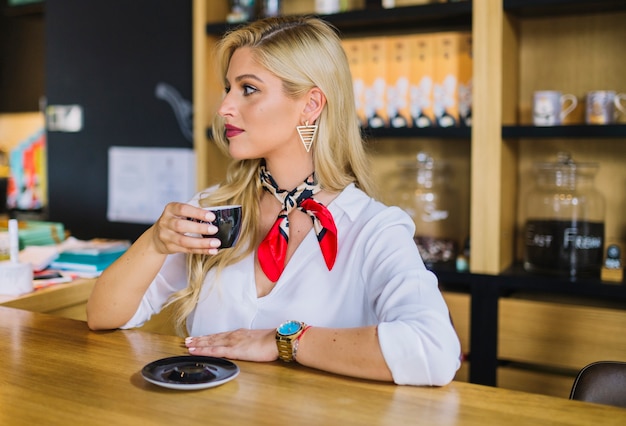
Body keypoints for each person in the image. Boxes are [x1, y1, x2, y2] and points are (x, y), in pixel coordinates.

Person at [86, 16, 461, 386]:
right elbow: (103, 315)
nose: (224, 108)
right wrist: (154, 241)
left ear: (311, 104)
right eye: (228, 88)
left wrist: (284, 340)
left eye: (248, 89)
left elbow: (434, 350)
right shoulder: (211, 211)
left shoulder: (374, 228)